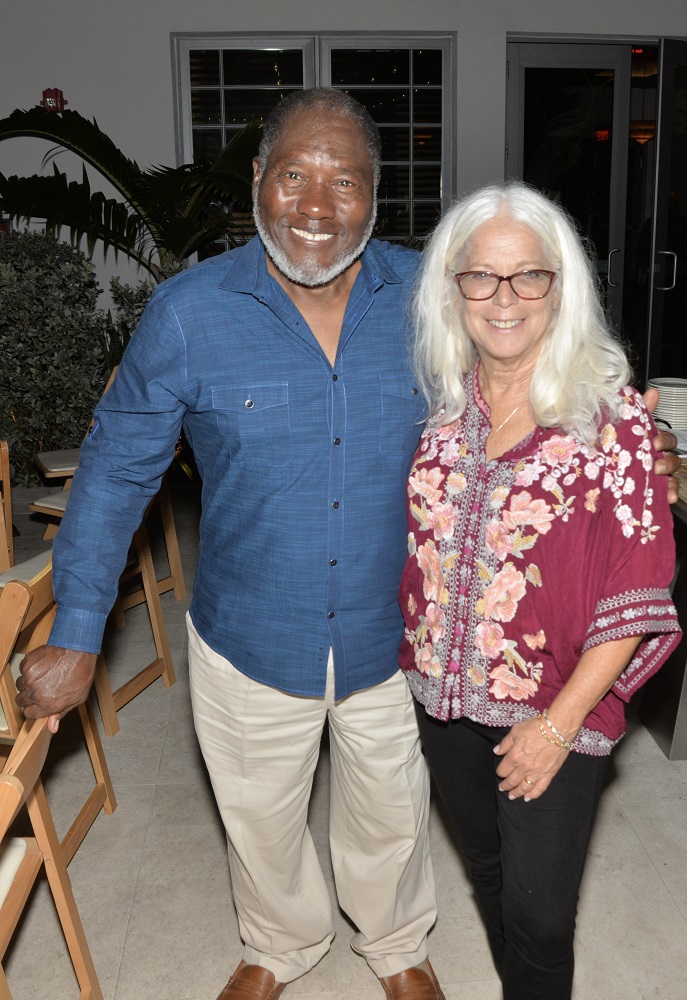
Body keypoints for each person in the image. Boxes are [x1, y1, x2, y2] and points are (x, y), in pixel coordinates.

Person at [14, 94, 677, 1000]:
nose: (316, 208)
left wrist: (627, 426)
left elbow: (533, 353)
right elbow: (117, 469)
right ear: (258, 181)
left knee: (391, 815)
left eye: (345, 182)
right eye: (294, 175)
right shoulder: (186, 314)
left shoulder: (430, 299)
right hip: (249, 629)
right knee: (259, 815)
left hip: (393, 640)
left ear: (376, 197)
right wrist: (79, 628)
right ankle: (279, 943)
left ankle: (396, 943)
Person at [398, 181, 682, 1000]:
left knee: (543, 916)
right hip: (440, 697)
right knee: (488, 870)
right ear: (450, 291)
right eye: (480, 277)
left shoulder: (615, 424)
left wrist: (554, 728)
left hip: (554, 708)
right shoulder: (435, 410)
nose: (504, 298)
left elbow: (638, 590)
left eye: (529, 276)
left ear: (562, 286)